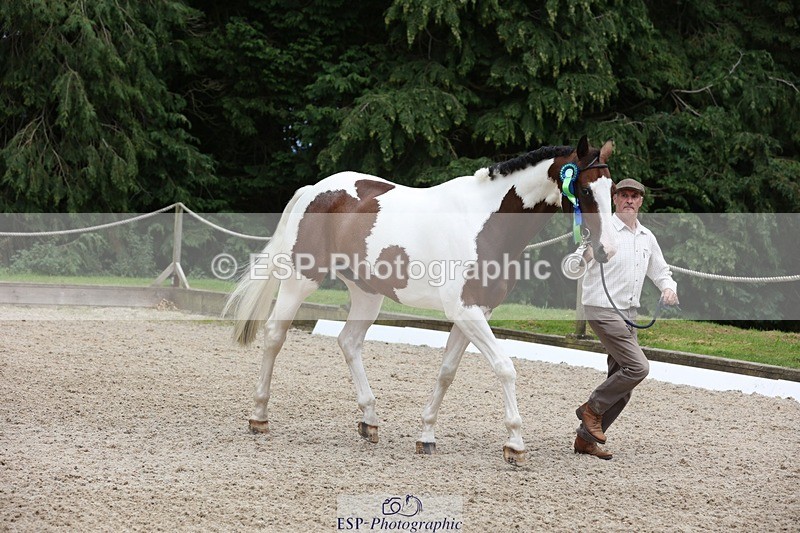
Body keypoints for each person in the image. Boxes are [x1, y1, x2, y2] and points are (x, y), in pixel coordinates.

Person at [573, 178, 679, 460]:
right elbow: (577, 262)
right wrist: (587, 254)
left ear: (641, 201)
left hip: (629, 314)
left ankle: (585, 440)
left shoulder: (647, 237)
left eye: (634, 196)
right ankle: (592, 409)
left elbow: (660, 270)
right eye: (624, 196)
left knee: (623, 386)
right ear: (615, 199)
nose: (629, 200)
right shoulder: (602, 229)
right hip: (601, 308)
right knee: (638, 368)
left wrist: (669, 288)